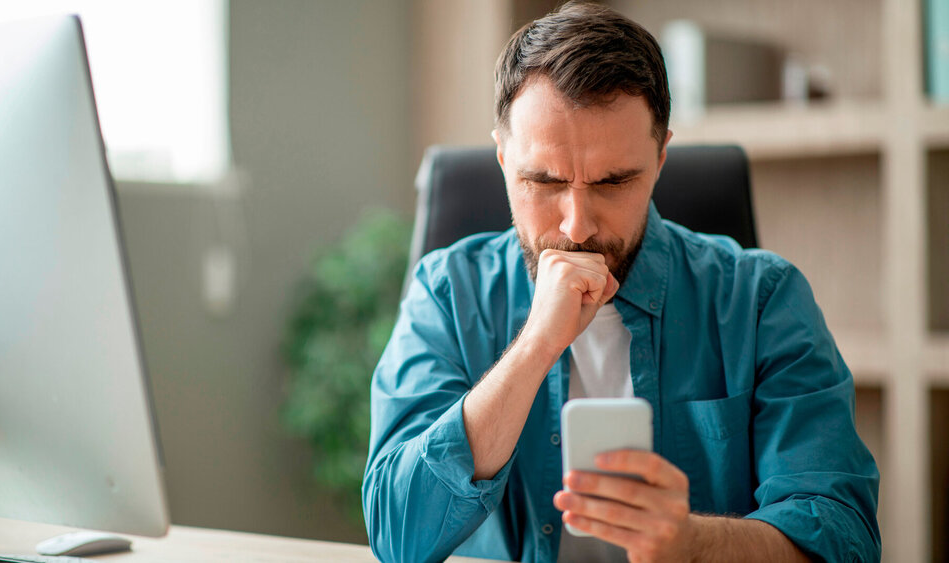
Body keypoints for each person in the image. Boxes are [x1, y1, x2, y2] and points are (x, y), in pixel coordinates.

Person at [362, 2, 880, 562]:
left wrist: (693, 542)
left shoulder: (761, 301)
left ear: (660, 158)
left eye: (614, 182)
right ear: (503, 158)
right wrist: (536, 345)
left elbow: (842, 536)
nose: (577, 225)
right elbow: (398, 535)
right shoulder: (446, 292)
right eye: (543, 180)